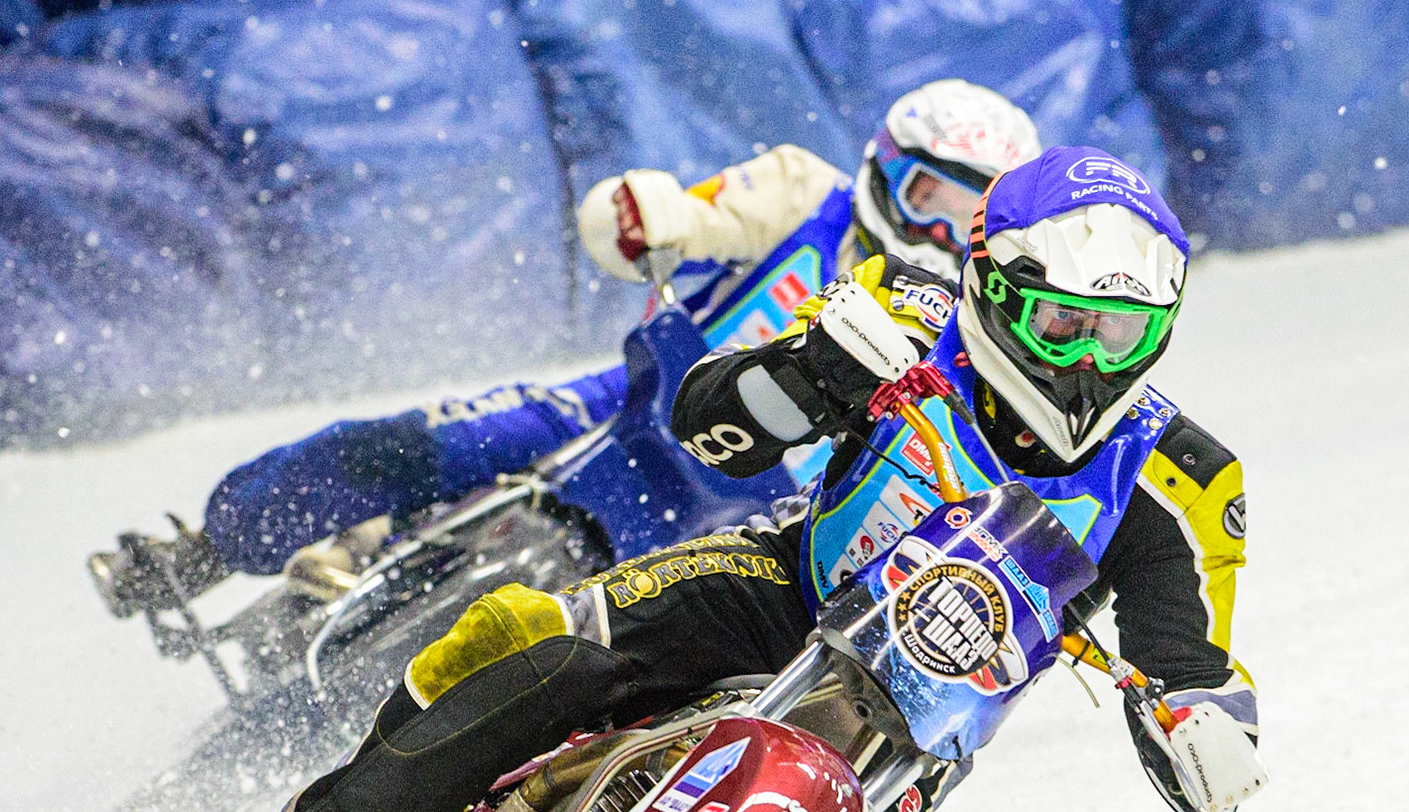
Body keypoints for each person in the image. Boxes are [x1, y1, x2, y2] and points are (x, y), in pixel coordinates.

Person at [173, 144, 1265, 812]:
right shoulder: (901, 313)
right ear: (994, 290)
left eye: (1118, 333)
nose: (1083, 364)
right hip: (779, 585)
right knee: (535, 641)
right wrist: (814, 374)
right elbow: (708, 431)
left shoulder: (1182, 477)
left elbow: (1193, 669)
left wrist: (1208, 729)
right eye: (1059, 324)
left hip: (916, 726)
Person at [89, 79, 1042, 613]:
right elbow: (676, 216)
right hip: (628, 404)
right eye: (930, 198)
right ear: (886, 169)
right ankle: (208, 547)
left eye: (970, 218)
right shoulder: (805, 191)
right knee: (427, 443)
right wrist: (650, 214)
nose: (939, 234)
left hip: (756, 516)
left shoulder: (967, 329)